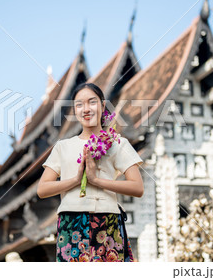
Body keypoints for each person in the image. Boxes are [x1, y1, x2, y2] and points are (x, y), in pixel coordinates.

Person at [37, 82, 144, 262]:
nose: (86, 109)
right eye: (79, 105)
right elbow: (42, 189)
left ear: (103, 106)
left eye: (92, 102)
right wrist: (77, 179)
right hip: (71, 223)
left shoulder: (118, 143)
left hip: (107, 220)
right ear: (74, 110)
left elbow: (137, 187)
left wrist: (96, 180)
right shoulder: (63, 147)